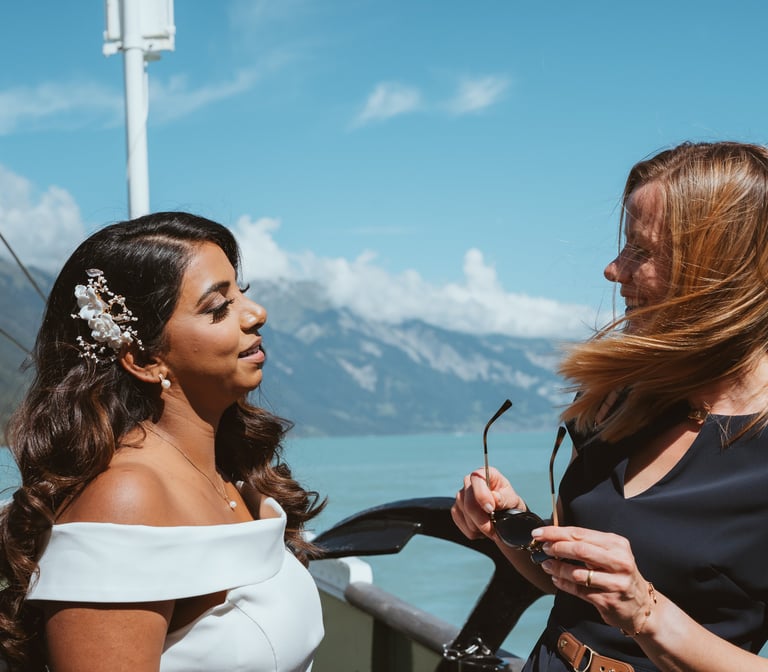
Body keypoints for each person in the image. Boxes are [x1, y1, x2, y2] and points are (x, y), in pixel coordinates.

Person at [453, 141, 768, 671]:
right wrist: (508, 523)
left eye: (641, 250)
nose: (613, 269)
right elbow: (565, 583)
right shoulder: (616, 397)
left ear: (719, 271)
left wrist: (646, 613)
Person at [0, 212, 325, 671]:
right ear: (144, 359)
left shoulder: (231, 475)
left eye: (242, 292)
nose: (257, 313)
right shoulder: (125, 500)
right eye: (218, 307)